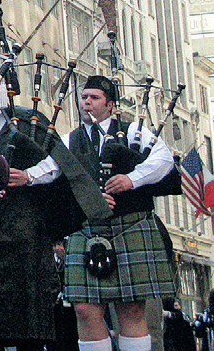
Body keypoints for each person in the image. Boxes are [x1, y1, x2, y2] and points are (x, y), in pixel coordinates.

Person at [63, 75, 176, 351]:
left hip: (130, 226)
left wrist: (131, 179)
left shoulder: (135, 131)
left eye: (94, 98)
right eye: (84, 97)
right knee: (85, 310)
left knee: (131, 310)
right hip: (88, 229)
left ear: (110, 104)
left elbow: (164, 161)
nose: (86, 102)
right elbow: (52, 173)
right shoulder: (70, 139)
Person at [0, 57, 63, 351]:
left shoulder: (29, 120)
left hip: (25, 226)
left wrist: (28, 176)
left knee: (28, 313)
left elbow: (59, 162)